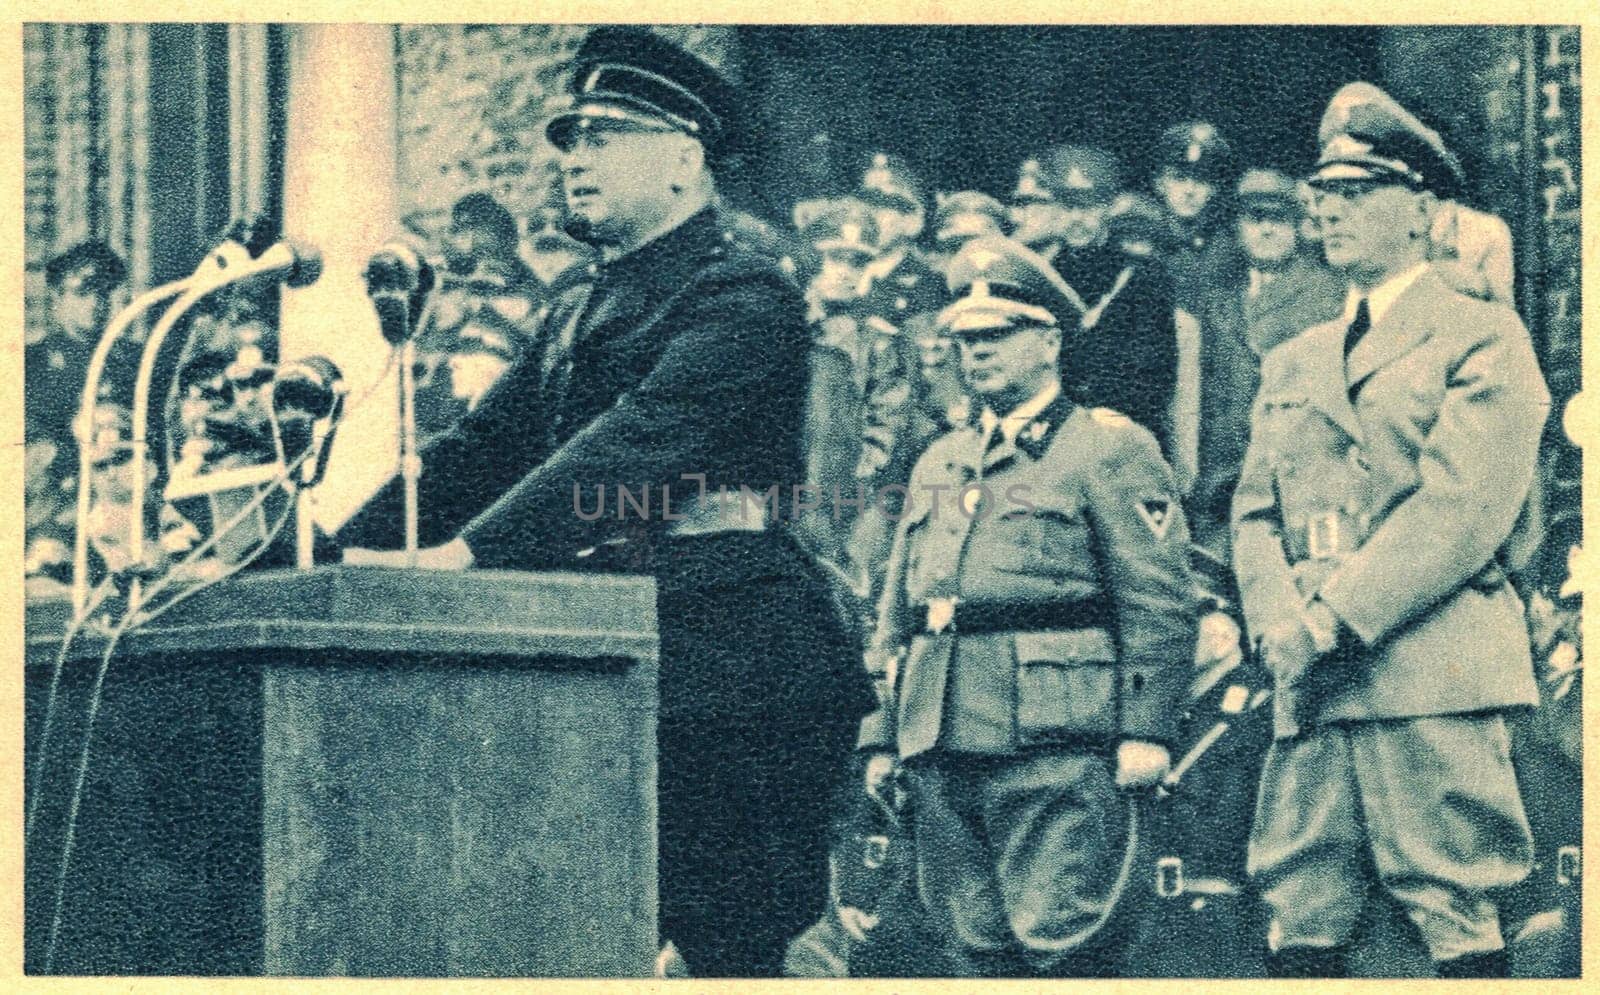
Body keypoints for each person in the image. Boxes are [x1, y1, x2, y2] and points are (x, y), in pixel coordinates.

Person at [338, 27, 872, 976]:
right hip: (601, 648)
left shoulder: (744, 294)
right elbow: (475, 453)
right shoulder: (578, 304)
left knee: (730, 952)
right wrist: (319, 556)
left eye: (605, 138)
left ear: (683, 159)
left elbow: (640, 436)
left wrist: (467, 555)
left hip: (731, 663)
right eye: (571, 140)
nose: (575, 161)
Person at [1232, 82, 1547, 980]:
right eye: (1323, 194)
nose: (1331, 211)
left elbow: (1461, 510)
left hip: (1428, 671)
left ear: (1422, 209)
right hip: (1312, 681)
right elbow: (1254, 511)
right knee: (1301, 911)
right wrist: (1276, 619)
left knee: (1455, 905)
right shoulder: (1293, 356)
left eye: (1358, 191)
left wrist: (1326, 617)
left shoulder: (1482, 337)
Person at [859, 235, 1197, 978]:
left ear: (1048, 342)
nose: (975, 352)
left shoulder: (1105, 447)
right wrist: (881, 732)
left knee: (1063, 940)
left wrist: (1146, 728)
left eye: (997, 335)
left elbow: (1160, 602)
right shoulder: (939, 459)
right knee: (973, 944)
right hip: (939, 737)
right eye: (964, 338)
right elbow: (897, 612)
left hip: (1056, 740)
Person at [1181, 168, 1344, 570]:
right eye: (1255, 220)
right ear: (1239, 227)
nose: (1266, 231)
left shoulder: (1331, 293)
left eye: (1278, 220)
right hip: (1222, 481)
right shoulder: (1217, 297)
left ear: (1298, 226)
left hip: (1298, 472)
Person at [1036, 144, 1179, 453]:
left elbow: (1154, 375)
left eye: (1088, 207)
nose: (1076, 218)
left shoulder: (1142, 278)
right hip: (1056, 439)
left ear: (1108, 207)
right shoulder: (1040, 279)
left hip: (1126, 435)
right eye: (1065, 206)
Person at [1151, 121, 1237, 308]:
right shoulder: (1146, 244)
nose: (1190, 190)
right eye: (1179, 178)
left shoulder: (1231, 248)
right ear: (1159, 183)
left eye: (1201, 179)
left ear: (1214, 188)